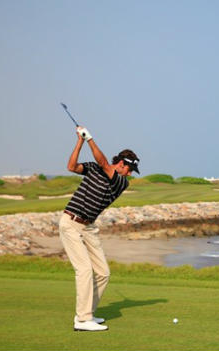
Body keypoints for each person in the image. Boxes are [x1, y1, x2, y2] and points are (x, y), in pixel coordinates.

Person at [59, 126, 139, 332]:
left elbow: (104, 163)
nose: (130, 174)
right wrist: (80, 141)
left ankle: (88, 314)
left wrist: (90, 139)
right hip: (70, 222)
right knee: (84, 270)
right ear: (121, 164)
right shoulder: (95, 168)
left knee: (103, 272)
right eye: (129, 169)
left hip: (89, 227)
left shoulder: (121, 182)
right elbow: (71, 166)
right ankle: (82, 319)